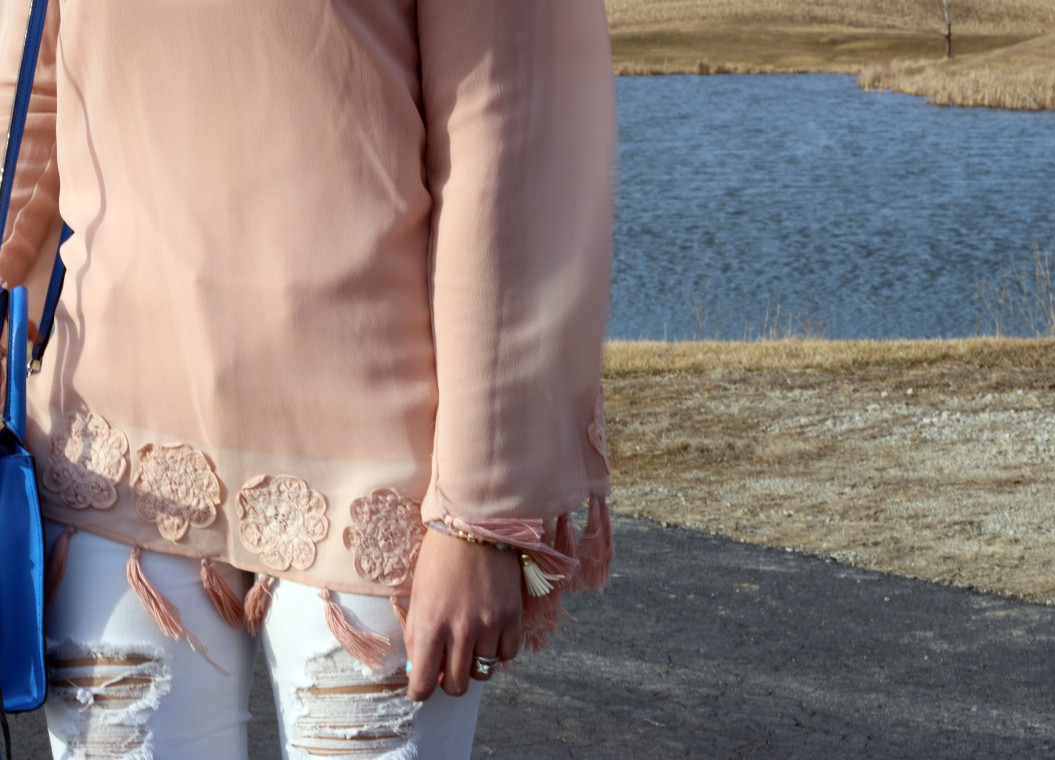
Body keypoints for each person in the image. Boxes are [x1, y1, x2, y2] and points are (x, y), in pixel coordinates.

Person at [0, 1, 615, 758]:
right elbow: (27, 102)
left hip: (383, 487)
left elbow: (512, 141)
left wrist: (483, 511)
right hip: (111, 454)